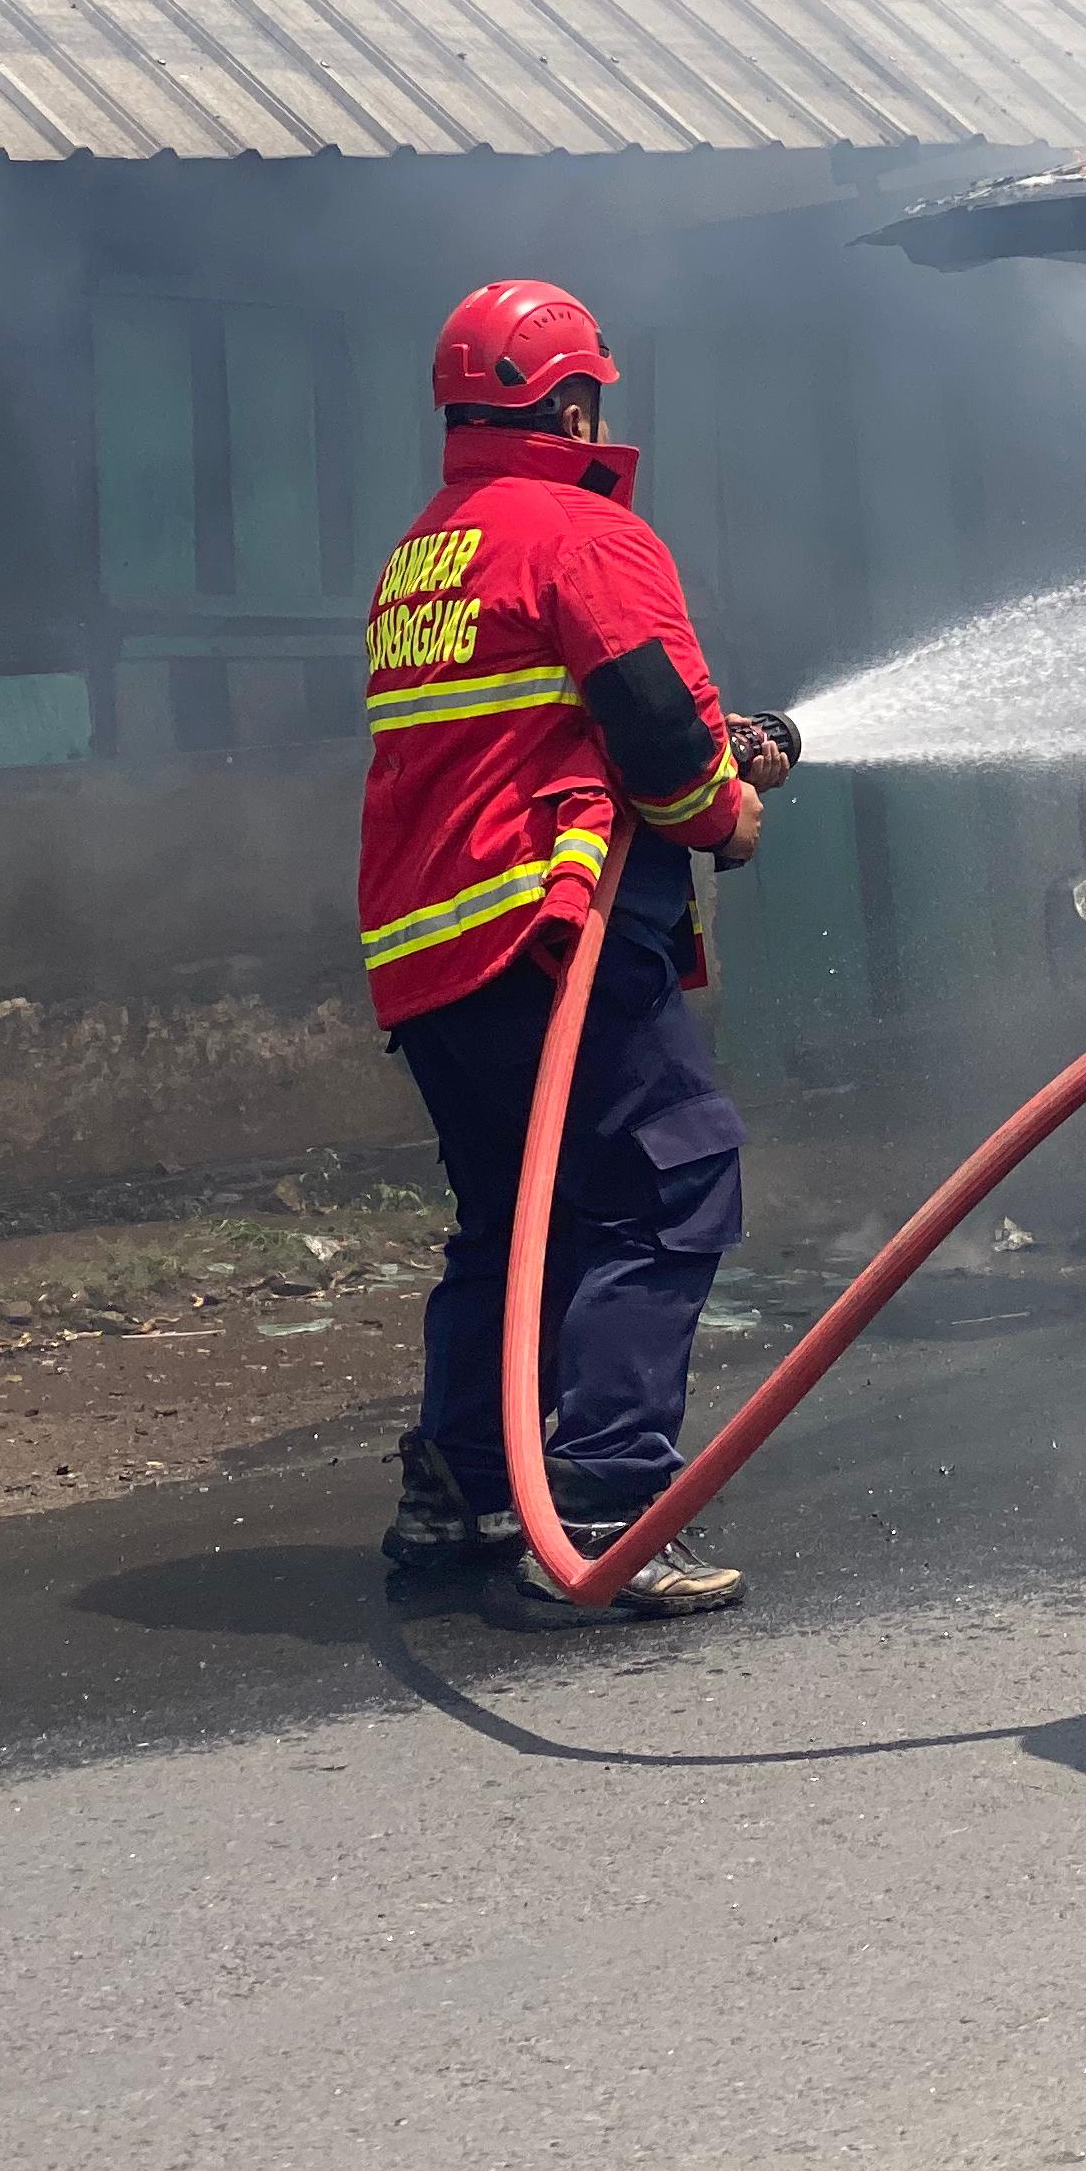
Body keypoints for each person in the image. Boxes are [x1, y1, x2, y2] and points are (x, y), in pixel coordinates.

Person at [361, 278, 792, 1618]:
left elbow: (547, 723)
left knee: (513, 1222)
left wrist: (726, 754)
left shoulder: (426, 550)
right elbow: (662, 744)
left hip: (433, 958)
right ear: (572, 397)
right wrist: (728, 808)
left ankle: (463, 1489)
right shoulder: (583, 532)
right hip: (553, 930)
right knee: (674, 1177)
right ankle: (612, 1499)